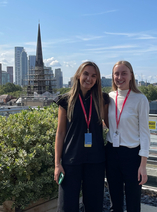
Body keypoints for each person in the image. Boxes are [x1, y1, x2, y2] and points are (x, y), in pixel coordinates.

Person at [54, 61, 109, 212]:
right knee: (67, 206)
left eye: (93, 76)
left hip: (96, 160)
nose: (89, 78)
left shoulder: (102, 100)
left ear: (97, 79)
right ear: (78, 75)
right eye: (86, 74)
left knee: (94, 205)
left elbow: (113, 125)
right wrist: (57, 164)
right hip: (71, 160)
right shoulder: (66, 100)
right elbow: (60, 133)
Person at [106, 60, 150, 212]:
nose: (120, 77)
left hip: (132, 155)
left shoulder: (140, 99)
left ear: (131, 75)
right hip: (111, 152)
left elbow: (145, 132)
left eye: (124, 73)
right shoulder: (109, 97)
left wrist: (143, 165)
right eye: (116, 73)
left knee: (133, 201)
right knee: (115, 201)